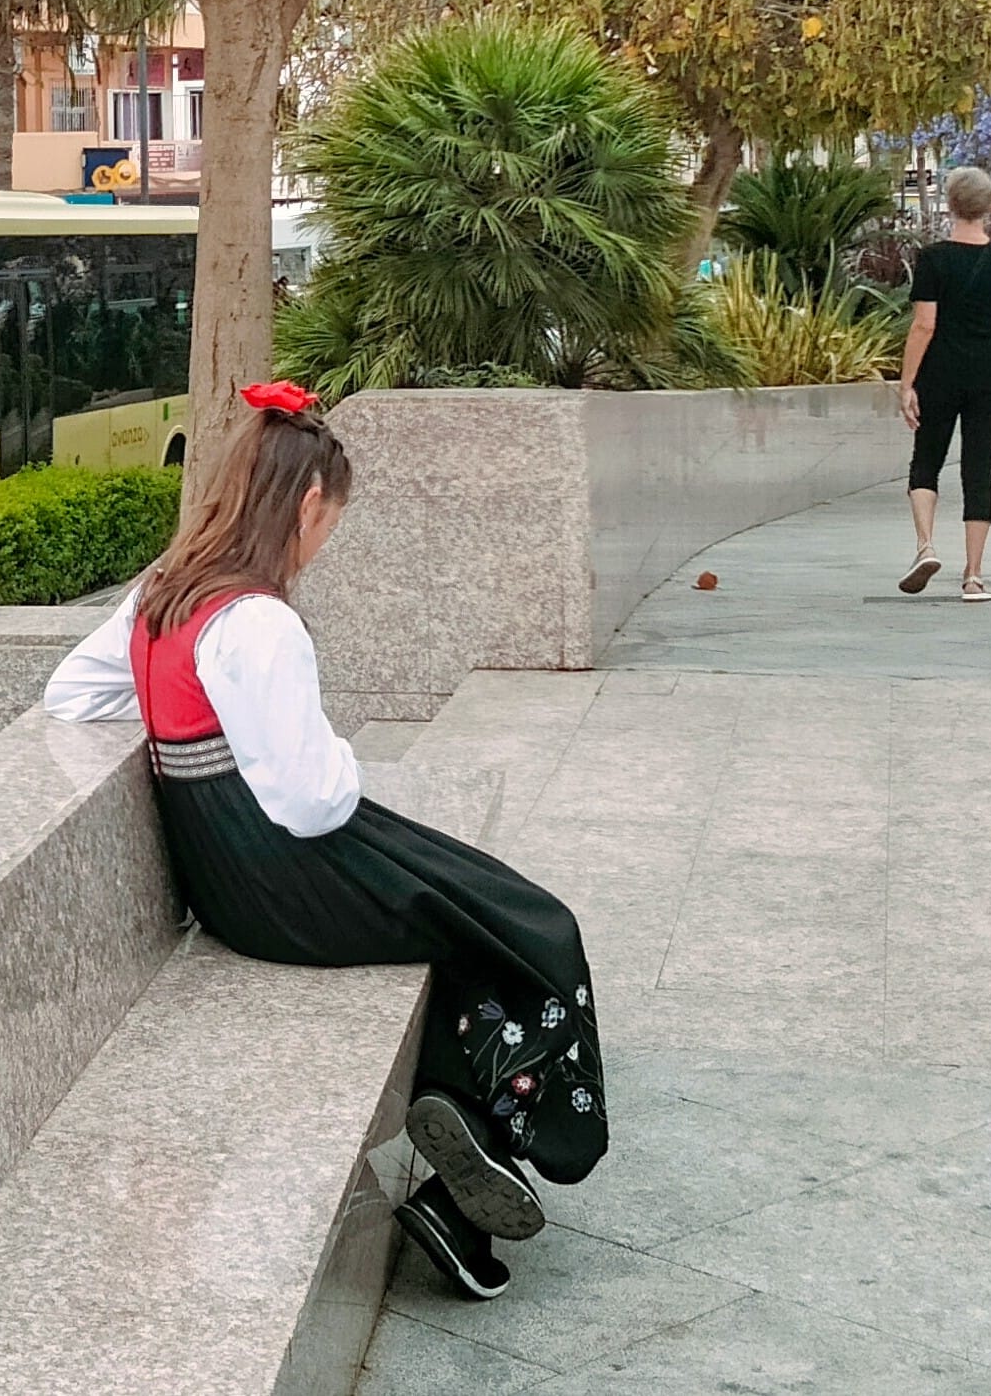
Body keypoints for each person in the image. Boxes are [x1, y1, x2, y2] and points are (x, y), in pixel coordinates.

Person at [44, 386, 607, 1303]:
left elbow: (73, 694)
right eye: (329, 523)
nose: (323, 544)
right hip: (287, 878)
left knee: (475, 911)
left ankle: (464, 1142)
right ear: (307, 504)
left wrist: (186, 728)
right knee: (532, 926)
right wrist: (333, 747)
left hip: (228, 878)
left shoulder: (163, 596)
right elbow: (312, 799)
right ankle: (485, 1158)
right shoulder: (258, 622)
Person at [897, 166, 991, 600]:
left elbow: (924, 325)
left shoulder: (932, 258)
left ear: (950, 205)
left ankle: (926, 545)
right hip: (990, 369)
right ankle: (974, 575)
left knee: (926, 458)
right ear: (990, 207)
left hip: (940, 369)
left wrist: (906, 382)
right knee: (978, 465)